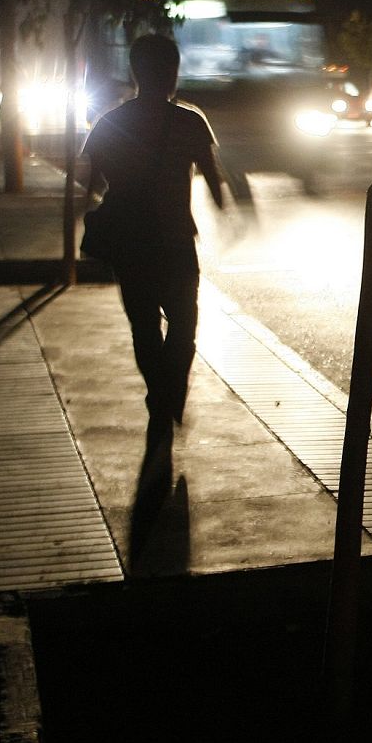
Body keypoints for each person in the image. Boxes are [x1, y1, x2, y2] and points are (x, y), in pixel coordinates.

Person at [81, 34, 228, 468]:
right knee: (184, 326)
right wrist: (226, 208)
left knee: (144, 327)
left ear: (134, 72)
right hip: (177, 242)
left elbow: (92, 184)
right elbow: (213, 178)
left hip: (131, 245)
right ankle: (169, 394)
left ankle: (158, 396)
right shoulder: (190, 121)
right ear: (173, 72)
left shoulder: (110, 122)